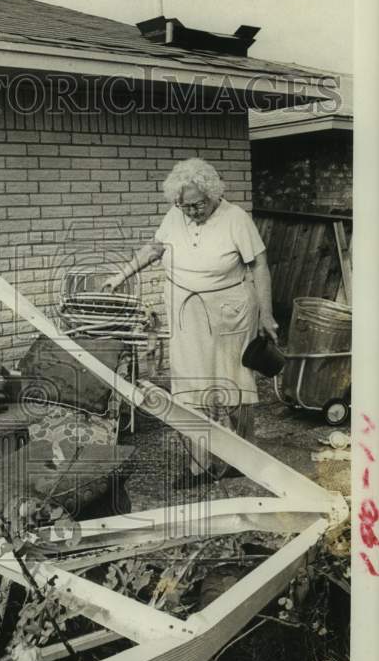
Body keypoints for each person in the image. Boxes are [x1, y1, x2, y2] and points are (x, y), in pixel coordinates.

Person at [101, 157, 278, 484]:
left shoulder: (236, 219)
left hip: (230, 313)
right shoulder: (175, 215)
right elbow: (154, 249)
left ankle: (244, 458)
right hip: (186, 314)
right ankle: (199, 465)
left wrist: (266, 314)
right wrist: (120, 275)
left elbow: (260, 265)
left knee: (235, 385)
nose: (192, 212)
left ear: (212, 194)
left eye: (197, 205)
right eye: (184, 206)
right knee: (189, 386)